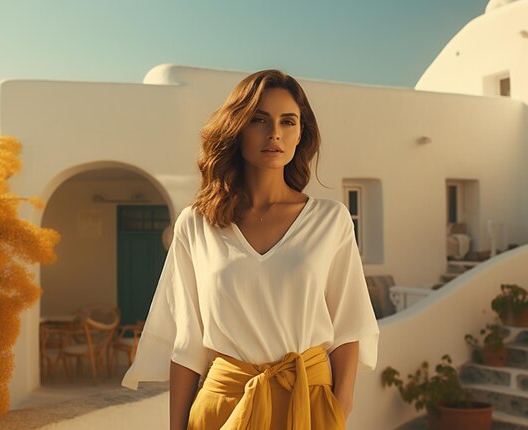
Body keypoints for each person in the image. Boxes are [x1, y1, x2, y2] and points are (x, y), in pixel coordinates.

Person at [122, 69, 380, 430]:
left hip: (308, 404)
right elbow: (187, 344)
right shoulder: (196, 224)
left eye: (288, 121)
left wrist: (340, 406)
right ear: (237, 128)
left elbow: (349, 327)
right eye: (259, 119)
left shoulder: (331, 220)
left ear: (300, 134)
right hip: (222, 407)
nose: (275, 132)